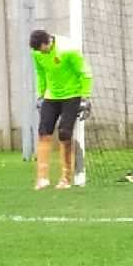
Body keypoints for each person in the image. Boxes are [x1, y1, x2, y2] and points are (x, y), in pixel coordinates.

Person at [29, 29, 92, 189]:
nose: (39, 53)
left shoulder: (68, 49)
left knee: (64, 133)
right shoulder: (37, 53)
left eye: (40, 49)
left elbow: (84, 73)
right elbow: (41, 73)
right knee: (44, 132)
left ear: (47, 42)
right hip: (51, 96)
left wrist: (85, 97)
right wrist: (41, 94)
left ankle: (66, 177)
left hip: (72, 95)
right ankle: (42, 178)